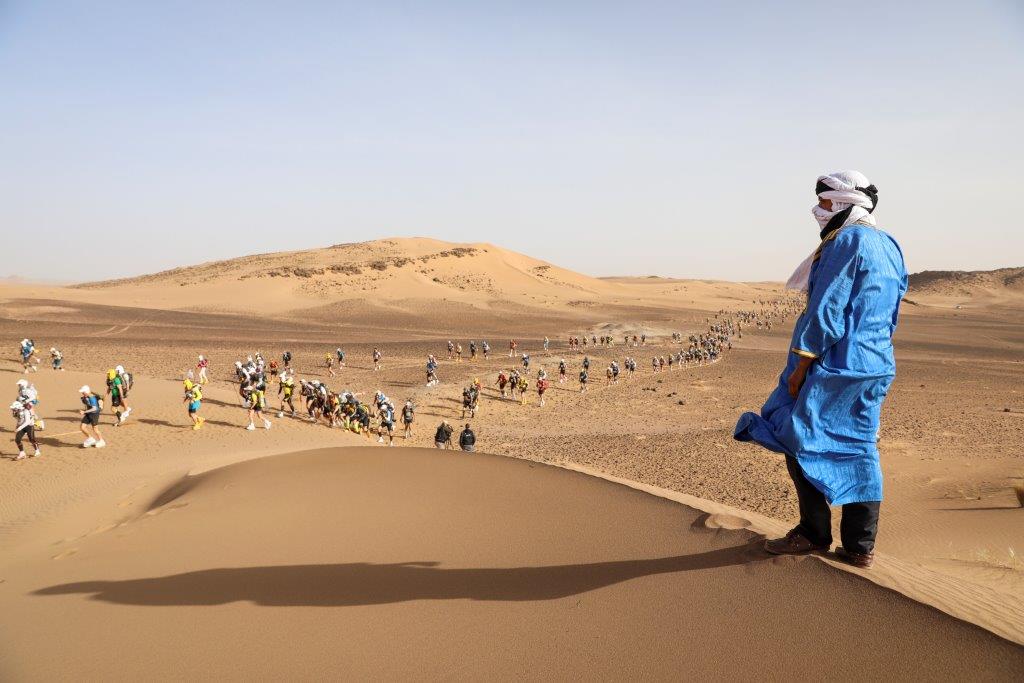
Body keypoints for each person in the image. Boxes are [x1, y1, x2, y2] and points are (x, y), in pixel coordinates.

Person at [735, 170, 906, 570]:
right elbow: (894, 306)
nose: (818, 210)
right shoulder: (889, 244)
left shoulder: (845, 241)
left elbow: (826, 310)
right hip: (875, 363)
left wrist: (800, 367)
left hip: (835, 365)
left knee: (795, 434)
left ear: (845, 204)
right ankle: (860, 546)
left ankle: (813, 534)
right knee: (860, 445)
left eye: (826, 203)